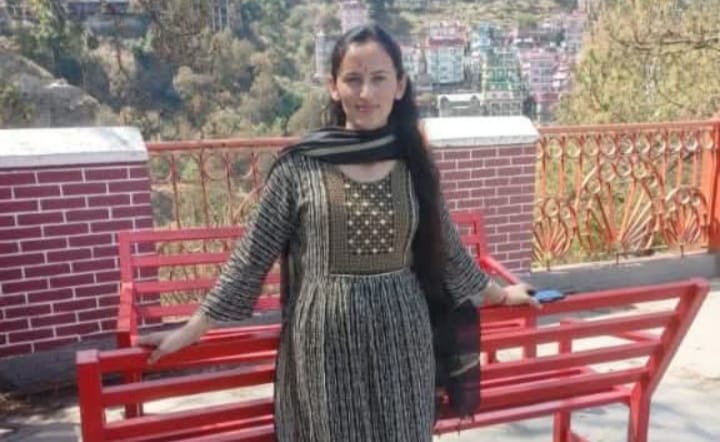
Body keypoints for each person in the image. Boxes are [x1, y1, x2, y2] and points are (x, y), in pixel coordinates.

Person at [138, 23, 539, 442]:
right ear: (333, 87)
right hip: (325, 348)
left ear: (400, 86)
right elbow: (252, 256)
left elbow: (448, 251)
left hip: (403, 341)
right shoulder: (300, 167)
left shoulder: (414, 165)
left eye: (379, 78)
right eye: (353, 79)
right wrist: (193, 328)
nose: (366, 93)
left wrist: (500, 295)